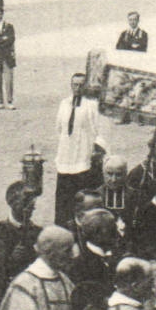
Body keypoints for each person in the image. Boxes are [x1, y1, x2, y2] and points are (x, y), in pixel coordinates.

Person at [54, 72, 106, 225]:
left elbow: (101, 130)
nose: (77, 88)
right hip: (65, 159)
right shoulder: (64, 103)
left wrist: (96, 149)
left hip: (84, 159)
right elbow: (59, 128)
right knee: (64, 201)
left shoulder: (92, 105)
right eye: (74, 85)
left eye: (81, 85)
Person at [0, 181, 43, 279]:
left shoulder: (39, 233)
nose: (31, 207)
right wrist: (12, 259)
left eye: (32, 202)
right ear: (12, 202)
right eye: (25, 202)